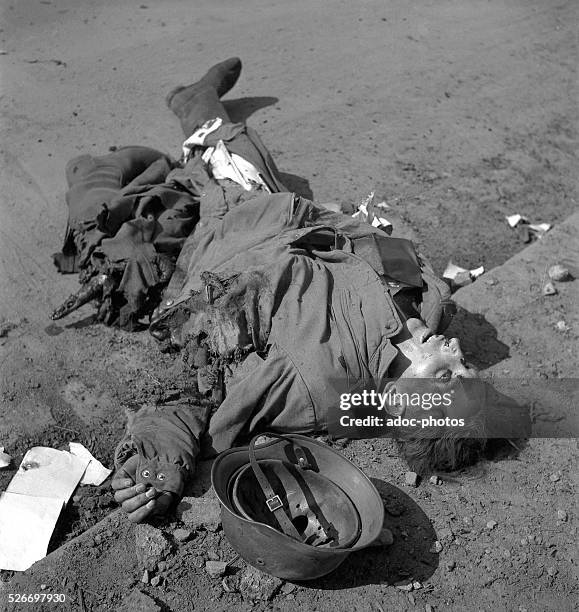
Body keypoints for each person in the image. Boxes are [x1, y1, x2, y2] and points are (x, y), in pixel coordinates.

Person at [51, 59, 529, 524]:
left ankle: (103, 170)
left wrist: (159, 460)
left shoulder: (313, 381)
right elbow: (370, 238)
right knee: (235, 147)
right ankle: (195, 104)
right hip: (267, 209)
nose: (457, 350)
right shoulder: (430, 304)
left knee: (106, 227)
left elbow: (203, 396)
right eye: (469, 367)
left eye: (448, 374)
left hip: (204, 248)